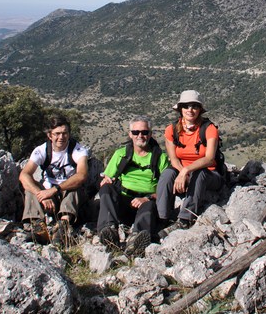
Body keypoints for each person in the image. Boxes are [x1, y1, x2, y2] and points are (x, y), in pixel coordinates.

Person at [97, 115, 168, 256]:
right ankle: (109, 230)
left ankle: (137, 239)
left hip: (146, 203)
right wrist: (106, 181)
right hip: (123, 202)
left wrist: (147, 198)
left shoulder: (160, 158)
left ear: (150, 134)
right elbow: (107, 178)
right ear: (130, 134)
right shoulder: (121, 154)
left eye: (144, 132)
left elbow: (165, 190)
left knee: (149, 206)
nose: (140, 136)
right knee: (106, 189)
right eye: (135, 132)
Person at [156, 90, 224, 233]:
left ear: (200, 109)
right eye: (186, 106)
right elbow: (173, 158)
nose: (190, 110)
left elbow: (209, 158)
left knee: (199, 173)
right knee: (167, 174)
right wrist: (182, 173)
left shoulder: (209, 129)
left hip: (209, 174)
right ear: (180, 109)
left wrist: (186, 170)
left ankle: (185, 219)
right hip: (183, 171)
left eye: (194, 106)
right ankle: (161, 218)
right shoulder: (172, 130)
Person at [19, 114, 89, 243]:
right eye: (57, 134)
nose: (61, 137)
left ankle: (63, 226)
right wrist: (41, 195)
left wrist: (55, 190)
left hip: (67, 196)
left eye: (64, 133)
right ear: (49, 135)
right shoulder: (41, 151)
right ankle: (38, 226)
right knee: (30, 186)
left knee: (75, 186)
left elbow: (81, 175)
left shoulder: (78, 150)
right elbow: (24, 175)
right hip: (48, 196)